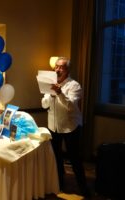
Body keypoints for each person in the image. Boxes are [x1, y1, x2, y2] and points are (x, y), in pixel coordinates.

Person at [41, 57, 90, 197]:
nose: (57, 69)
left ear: (67, 70)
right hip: (54, 126)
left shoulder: (75, 86)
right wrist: (49, 94)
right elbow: (44, 105)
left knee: (75, 159)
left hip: (70, 127)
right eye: (56, 66)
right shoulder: (50, 84)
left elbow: (71, 107)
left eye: (61, 67)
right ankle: (60, 184)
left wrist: (59, 93)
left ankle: (83, 188)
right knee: (56, 158)